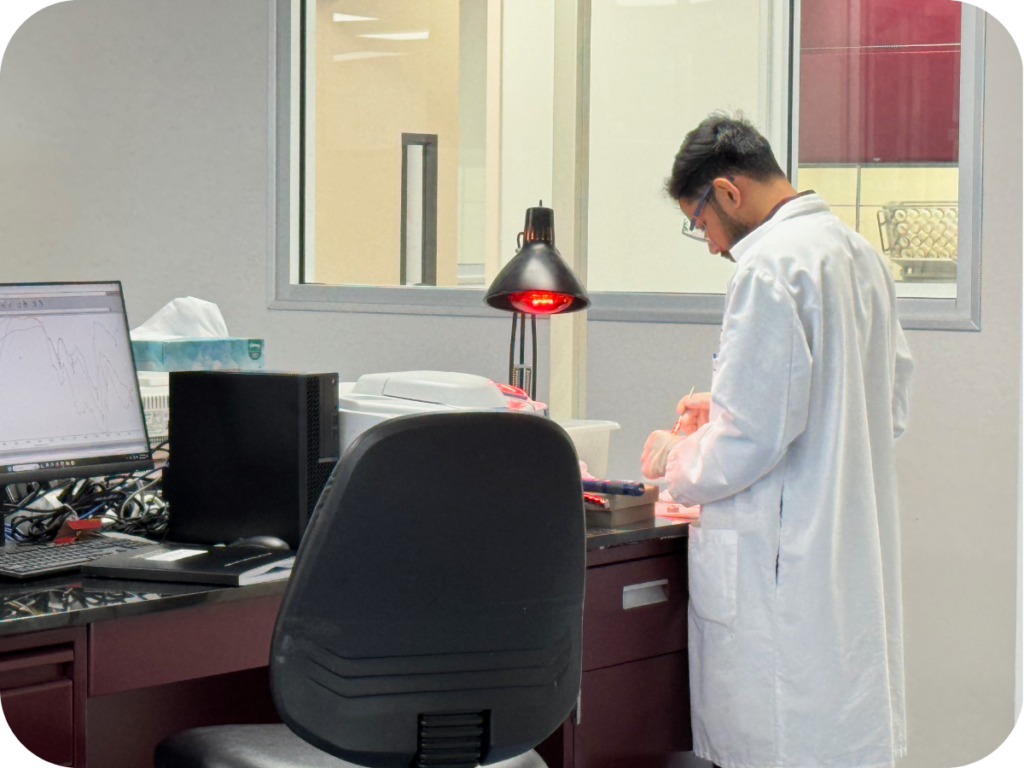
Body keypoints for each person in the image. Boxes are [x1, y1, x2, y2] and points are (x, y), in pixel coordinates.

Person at [640, 114, 913, 768]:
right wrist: (728, 402)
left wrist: (673, 458)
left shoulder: (767, 267)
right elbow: (882, 401)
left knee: (780, 741)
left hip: (783, 574)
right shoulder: (857, 255)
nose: (708, 245)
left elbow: (749, 442)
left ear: (728, 193)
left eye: (699, 222)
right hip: (842, 562)